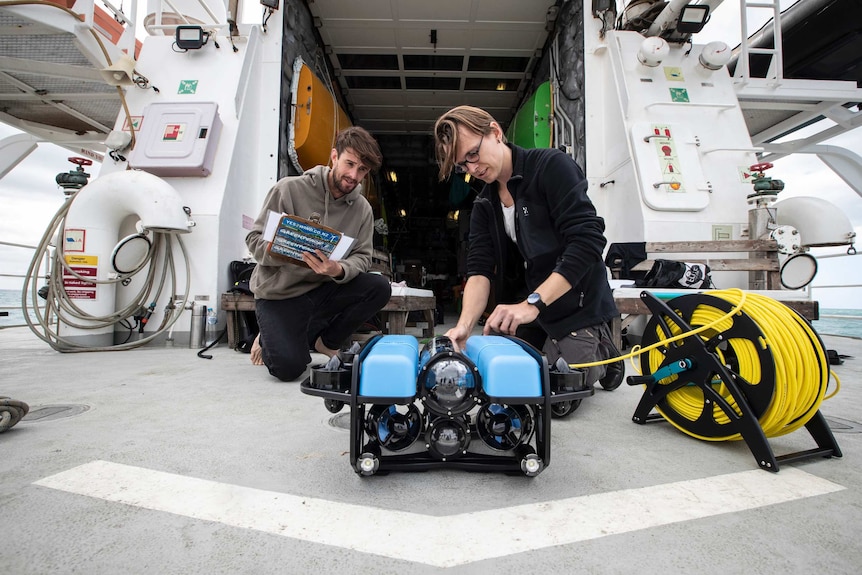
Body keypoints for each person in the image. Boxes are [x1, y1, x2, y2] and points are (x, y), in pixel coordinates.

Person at [432, 106, 623, 390]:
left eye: (473, 154)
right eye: (463, 165)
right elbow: (479, 270)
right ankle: (556, 344)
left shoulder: (550, 166)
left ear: (495, 132)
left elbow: (588, 241)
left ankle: (603, 350)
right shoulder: (485, 204)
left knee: (559, 390)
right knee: (505, 379)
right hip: (528, 307)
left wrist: (533, 303)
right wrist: (464, 325)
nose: (472, 168)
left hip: (575, 304)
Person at [245, 127, 391, 381]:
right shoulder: (288, 189)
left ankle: (326, 340)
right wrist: (280, 249)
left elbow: (363, 257)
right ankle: (268, 335)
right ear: (334, 156)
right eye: (350, 164)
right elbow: (254, 238)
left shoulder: (362, 209)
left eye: (363, 170)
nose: (354, 175)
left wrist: (339, 269)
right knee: (288, 369)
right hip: (280, 294)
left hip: (323, 290)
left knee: (379, 286)